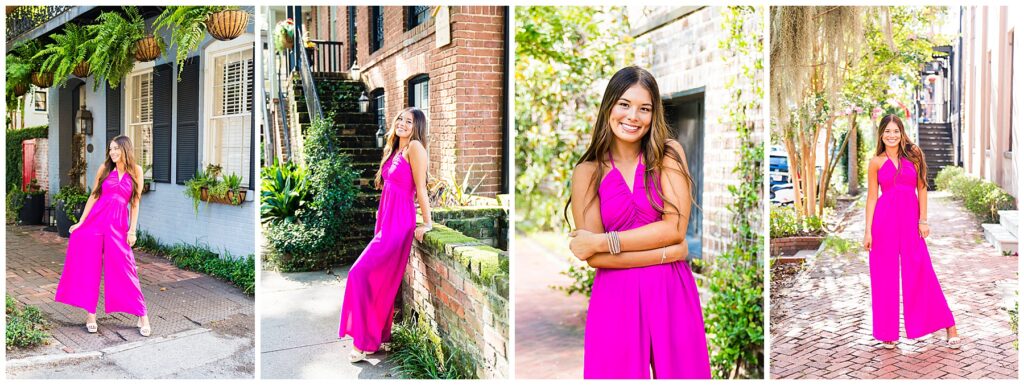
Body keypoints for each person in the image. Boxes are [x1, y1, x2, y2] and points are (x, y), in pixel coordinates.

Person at [566, 66, 711, 379]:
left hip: (671, 292)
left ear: (653, 114)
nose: (633, 116)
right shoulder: (587, 172)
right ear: (609, 107)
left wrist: (606, 241)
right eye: (624, 104)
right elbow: (591, 257)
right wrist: (667, 252)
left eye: (644, 108)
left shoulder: (668, 155)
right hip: (615, 299)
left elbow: (674, 229)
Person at [339, 107, 433, 363]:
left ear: (417, 127)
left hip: (399, 224)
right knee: (377, 280)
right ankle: (377, 337)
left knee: (358, 273)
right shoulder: (395, 149)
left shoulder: (415, 148)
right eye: (400, 119)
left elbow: (421, 189)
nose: (402, 123)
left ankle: (363, 342)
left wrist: (428, 224)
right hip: (386, 221)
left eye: (409, 121)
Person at [863, 114, 959, 349]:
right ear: (881, 134)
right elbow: (872, 197)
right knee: (883, 276)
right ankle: (888, 332)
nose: (892, 135)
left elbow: (922, 188)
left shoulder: (914, 154)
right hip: (883, 223)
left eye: (896, 131)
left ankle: (949, 324)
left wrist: (923, 220)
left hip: (910, 221)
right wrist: (867, 231)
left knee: (921, 269)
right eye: (887, 131)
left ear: (902, 132)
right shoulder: (876, 162)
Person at [54, 135, 151, 337]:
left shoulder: (137, 172)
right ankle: (90, 314)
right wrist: (81, 221)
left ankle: (142, 314)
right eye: (110, 149)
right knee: (90, 266)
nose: (112, 152)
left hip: (118, 226)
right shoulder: (105, 169)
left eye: (116, 148)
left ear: (126, 150)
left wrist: (132, 230)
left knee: (126, 268)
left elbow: (135, 203)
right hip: (96, 223)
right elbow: (94, 195)